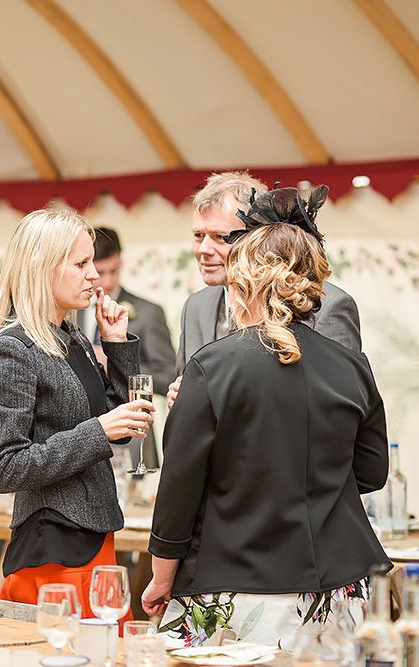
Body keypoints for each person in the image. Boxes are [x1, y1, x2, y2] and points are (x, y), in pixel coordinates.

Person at [142, 188, 390, 647]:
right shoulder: (353, 366)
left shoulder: (212, 367)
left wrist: (161, 576)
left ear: (242, 284)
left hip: (239, 582)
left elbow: (179, 487)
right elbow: (372, 473)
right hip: (340, 587)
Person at [0, 205, 154, 614]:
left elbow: (121, 427)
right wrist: (98, 431)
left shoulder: (70, 337)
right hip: (54, 549)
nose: (95, 274)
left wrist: (117, 345)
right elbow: (6, 467)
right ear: (43, 268)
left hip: (92, 535)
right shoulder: (12, 349)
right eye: (81, 263)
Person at [168, 172, 361, 406]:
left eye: (220, 237)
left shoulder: (328, 306)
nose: (204, 249)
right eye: (198, 235)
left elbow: (339, 408)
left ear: (256, 237)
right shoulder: (195, 306)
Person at [79, 227, 175, 470]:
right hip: (80, 439)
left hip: (132, 442)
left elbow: (167, 376)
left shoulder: (149, 312)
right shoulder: (69, 314)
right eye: (100, 272)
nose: (109, 281)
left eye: (114, 270)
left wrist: (119, 362)